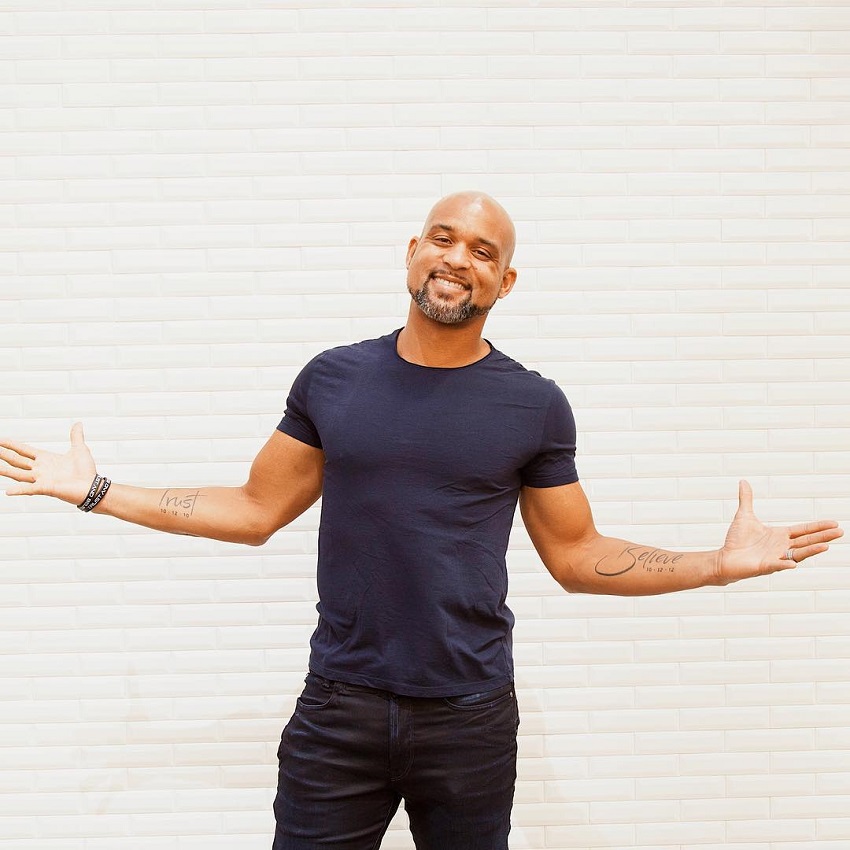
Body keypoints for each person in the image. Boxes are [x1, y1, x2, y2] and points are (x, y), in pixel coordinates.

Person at [0, 191, 843, 850]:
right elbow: (256, 509)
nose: (458, 258)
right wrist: (97, 490)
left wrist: (716, 563)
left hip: (469, 714)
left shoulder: (533, 405)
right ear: (412, 252)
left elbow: (578, 554)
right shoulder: (334, 379)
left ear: (503, 283)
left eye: (484, 251)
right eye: (444, 237)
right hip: (341, 708)